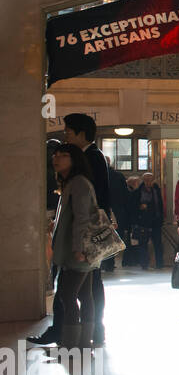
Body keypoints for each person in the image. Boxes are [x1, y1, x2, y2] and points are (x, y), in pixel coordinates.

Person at [47, 142, 101, 350]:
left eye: (62, 155)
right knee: (84, 296)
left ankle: (71, 346)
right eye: (55, 155)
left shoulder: (78, 182)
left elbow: (81, 218)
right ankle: (83, 344)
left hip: (78, 250)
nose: (56, 158)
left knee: (67, 295)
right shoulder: (73, 181)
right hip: (80, 249)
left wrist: (78, 248)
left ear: (74, 159)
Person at [136, 173, 165, 269]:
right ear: (143, 180)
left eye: (150, 180)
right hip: (144, 221)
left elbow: (160, 204)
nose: (148, 182)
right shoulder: (139, 191)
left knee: (157, 243)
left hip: (156, 220)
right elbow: (134, 204)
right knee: (143, 243)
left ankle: (159, 263)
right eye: (146, 180)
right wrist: (140, 208)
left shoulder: (156, 190)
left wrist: (161, 217)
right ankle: (144, 264)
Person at [121, 175, 142, 266]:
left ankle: (129, 260)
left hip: (129, 221)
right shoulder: (132, 193)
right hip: (132, 221)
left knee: (131, 241)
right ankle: (131, 260)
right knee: (132, 241)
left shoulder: (127, 192)